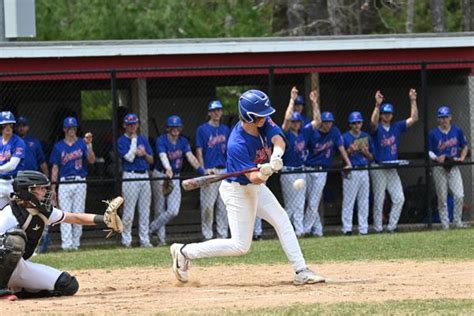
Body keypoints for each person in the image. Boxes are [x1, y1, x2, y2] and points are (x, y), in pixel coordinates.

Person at [170, 89, 325, 285]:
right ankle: (184, 252)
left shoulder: (263, 122)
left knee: (282, 219)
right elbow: (253, 178)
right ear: (249, 116)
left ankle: (301, 270)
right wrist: (265, 172)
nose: (266, 117)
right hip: (238, 191)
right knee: (240, 246)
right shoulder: (237, 144)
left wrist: (276, 155)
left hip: (255, 189)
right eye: (261, 114)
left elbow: (278, 139)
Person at [0, 170, 122, 301]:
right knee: (14, 240)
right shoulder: (10, 214)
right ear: (28, 192)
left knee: (68, 285)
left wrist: (104, 219)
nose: (46, 192)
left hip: (17, 268)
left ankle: (18, 290)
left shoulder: (43, 212)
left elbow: (75, 218)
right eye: (41, 189)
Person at [150, 115, 204, 245]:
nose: (175, 129)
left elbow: (190, 156)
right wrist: (168, 168)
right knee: (159, 209)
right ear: (168, 128)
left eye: (177, 127)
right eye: (172, 127)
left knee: (173, 211)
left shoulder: (183, 141)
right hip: (161, 175)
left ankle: (151, 228)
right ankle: (161, 240)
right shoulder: (161, 140)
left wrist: (201, 170)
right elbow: (162, 155)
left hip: (175, 176)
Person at [303, 93, 352, 237]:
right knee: (311, 202)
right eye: (325, 122)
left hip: (321, 171)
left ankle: (304, 230)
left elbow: (341, 148)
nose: (328, 124)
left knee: (313, 202)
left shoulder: (335, 132)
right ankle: (317, 230)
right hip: (308, 169)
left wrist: (348, 163)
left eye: (330, 122)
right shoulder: (312, 132)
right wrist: (315, 103)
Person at [370, 89, 418, 233]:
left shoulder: (396, 126)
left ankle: (391, 227)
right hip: (378, 166)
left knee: (399, 198)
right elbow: (372, 122)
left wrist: (413, 100)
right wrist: (377, 106)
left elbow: (414, 118)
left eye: (389, 113)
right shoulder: (377, 127)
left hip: (392, 168)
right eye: (385, 113)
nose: (387, 115)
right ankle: (378, 228)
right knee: (379, 199)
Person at [428, 105, 469, 229]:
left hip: (453, 166)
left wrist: (462, 157)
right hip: (439, 167)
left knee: (459, 195)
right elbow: (429, 151)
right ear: (438, 119)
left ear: (450, 117)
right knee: (442, 197)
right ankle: (445, 224)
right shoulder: (433, 133)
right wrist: (436, 158)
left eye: (446, 117)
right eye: (441, 118)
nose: (444, 120)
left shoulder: (457, 130)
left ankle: (457, 222)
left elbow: (465, 146)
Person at [117, 113, 154, 248]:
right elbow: (129, 158)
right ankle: (126, 240)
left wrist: (144, 154)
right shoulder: (122, 140)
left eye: (134, 124)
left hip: (144, 175)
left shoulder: (143, 139)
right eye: (129, 124)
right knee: (129, 211)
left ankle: (145, 240)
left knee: (145, 210)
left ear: (138, 125)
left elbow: (151, 160)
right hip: (130, 176)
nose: (132, 127)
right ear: (124, 126)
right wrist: (133, 142)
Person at [195, 100, 230, 240]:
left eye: (219, 110)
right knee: (208, 206)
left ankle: (222, 236)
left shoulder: (226, 129)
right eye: (214, 110)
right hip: (211, 171)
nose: (216, 113)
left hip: (225, 171)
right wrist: (204, 170)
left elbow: (230, 151)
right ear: (209, 113)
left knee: (223, 206)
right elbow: (199, 150)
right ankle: (207, 236)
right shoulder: (202, 129)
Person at [279, 86, 309, 237]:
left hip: (300, 171)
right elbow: (286, 119)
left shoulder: (303, 133)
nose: (296, 123)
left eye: (298, 122)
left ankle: (299, 231)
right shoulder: (286, 134)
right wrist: (292, 100)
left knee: (300, 204)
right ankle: (283, 229)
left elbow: (316, 122)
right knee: (290, 205)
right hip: (288, 171)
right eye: (294, 121)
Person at [341, 112, 374, 235]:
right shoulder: (345, 137)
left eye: (359, 122)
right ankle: (347, 228)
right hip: (351, 171)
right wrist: (349, 151)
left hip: (364, 169)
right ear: (350, 124)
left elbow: (372, 157)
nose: (356, 125)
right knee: (349, 201)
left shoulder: (366, 136)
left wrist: (365, 153)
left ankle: (363, 229)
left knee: (364, 201)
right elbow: (338, 158)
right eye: (354, 123)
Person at [0, 111, 26, 210]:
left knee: (20, 213)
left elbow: (12, 165)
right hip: (1, 182)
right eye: (5, 125)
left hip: (14, 182)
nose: (8, 127)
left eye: (10, 124)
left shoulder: (18, 142)